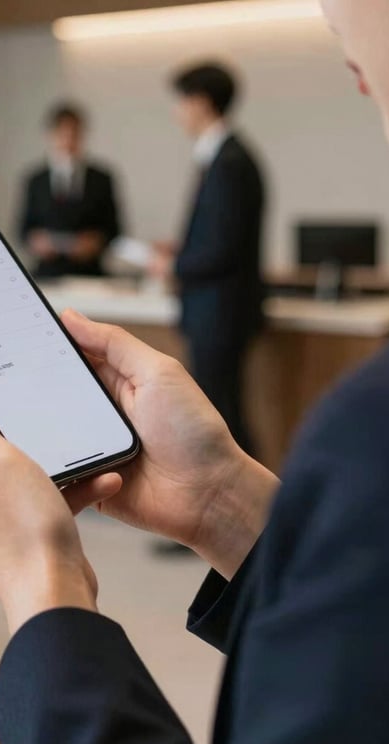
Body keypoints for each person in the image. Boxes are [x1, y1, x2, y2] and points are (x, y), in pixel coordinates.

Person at [0, 1, 389, 744]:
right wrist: (223, 500)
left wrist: (41, 581)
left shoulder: (386, 431)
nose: (327, 10)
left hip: (221, 311)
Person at [164, 63, 265, 454]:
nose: (176, 113)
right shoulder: (222, 156)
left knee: (223, 421)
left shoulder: (230, 162)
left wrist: (172, 265)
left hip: (220, 314)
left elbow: (223, 249)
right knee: (224, 415)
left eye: (181, 102)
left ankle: (258, 494)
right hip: (216, 312)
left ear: (201, 103)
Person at [19, 103, 122, 278]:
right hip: (47, 273)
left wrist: (95, 243)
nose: (68, 140)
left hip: (89, 273)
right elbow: (23, 230)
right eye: (62, 134)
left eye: (74, 134)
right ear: (51, 135)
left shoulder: (102, 179)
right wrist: (37, 242)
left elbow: (115, 230)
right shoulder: (36, 180)